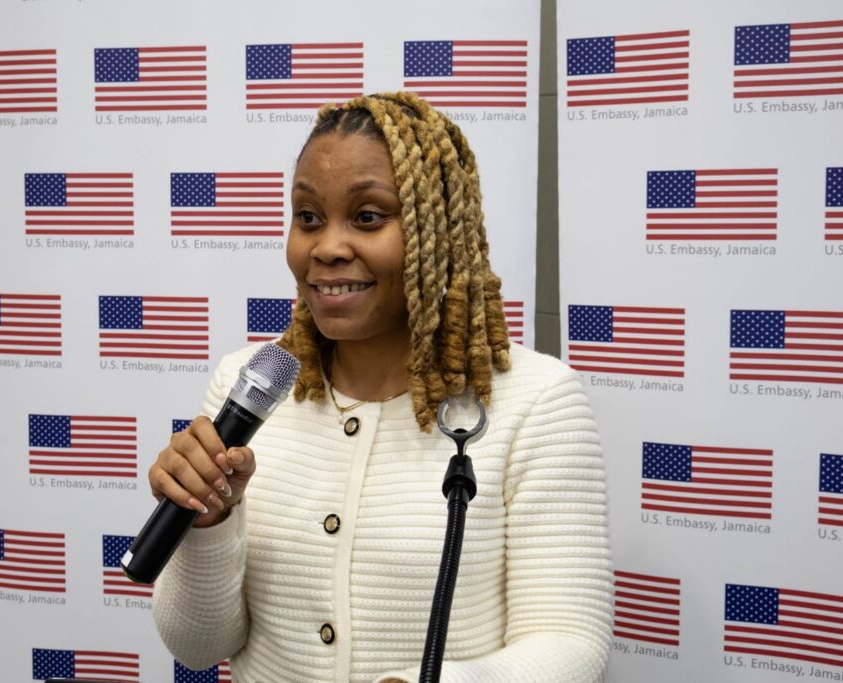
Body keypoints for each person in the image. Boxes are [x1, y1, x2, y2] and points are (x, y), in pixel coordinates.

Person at [150, 92, 613, 682]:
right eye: (308, 217)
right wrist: (208, 524)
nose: (326, 247)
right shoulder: (246, 386)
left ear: (438, 231)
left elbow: (570, 644)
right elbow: (196, 646)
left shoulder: (536, 401)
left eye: (368, 217)